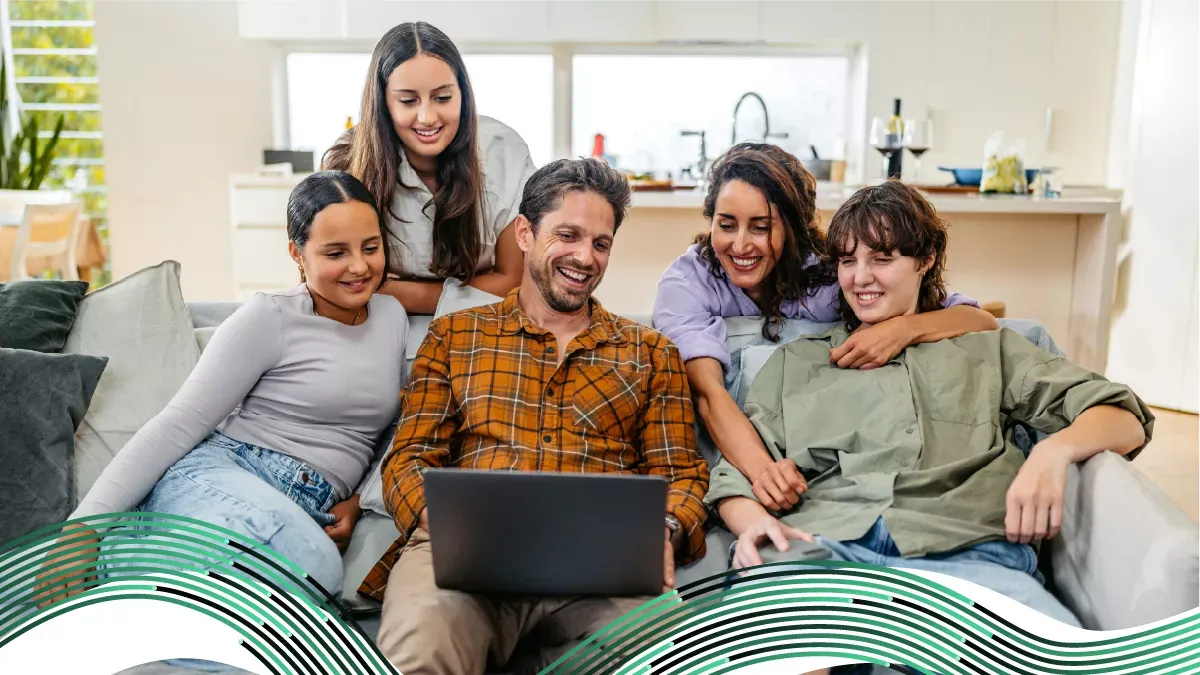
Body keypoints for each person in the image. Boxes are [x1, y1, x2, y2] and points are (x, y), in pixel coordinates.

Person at [707, 180, 1154, 643]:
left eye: (882, 259)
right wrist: (757, 525)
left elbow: (1124, 416)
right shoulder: (796, 363)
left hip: (966, 560)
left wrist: (1052, 453)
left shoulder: (989, 350)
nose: (860, 277)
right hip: (822, 551)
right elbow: (733, 476)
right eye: (847, 261)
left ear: (926, 260)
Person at [359, 158, 709, 674]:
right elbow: (408, 457)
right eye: (567, 235)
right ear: (524, 233)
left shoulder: (650, 352)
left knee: (663, 657)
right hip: (465, 564)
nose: (584, 257)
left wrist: (663, 528)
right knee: (421, 648)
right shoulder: (456, 336)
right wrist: (446, 522)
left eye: (601, 243)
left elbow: (681, 473)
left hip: (604, 573)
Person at [36, 171, 410, 605]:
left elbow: (393, 425)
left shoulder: (390, 317)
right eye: (335, 252)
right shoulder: (269, 318)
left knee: (289, 586)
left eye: (370, 247)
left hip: (301, 504)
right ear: (297, 254)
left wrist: (358, 500)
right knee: (317, 564)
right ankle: (106, 563)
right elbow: (177, 423)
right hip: (223, 475)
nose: (360, 267)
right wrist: (81, 529)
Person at [653, 143, 999, 514]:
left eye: (761, 227)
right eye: (726, 225)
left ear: (792, 227)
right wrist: (764, 473)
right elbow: (708, 394)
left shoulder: (832, 276)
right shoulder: (687, 282)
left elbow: (980, 320)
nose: (740, 245)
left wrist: (903, 329)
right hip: (746, 449)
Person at [323, 21, 536, 315]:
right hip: (377, 321)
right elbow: (340, 281)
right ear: (383, 103)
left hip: (485, 321)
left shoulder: (504, 152)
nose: (427, 117)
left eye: (443, 98)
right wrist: (472, 290)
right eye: (408, 101)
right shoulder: (348, 162)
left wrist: (396, 291)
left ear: (463, 95)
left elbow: (514, 283)